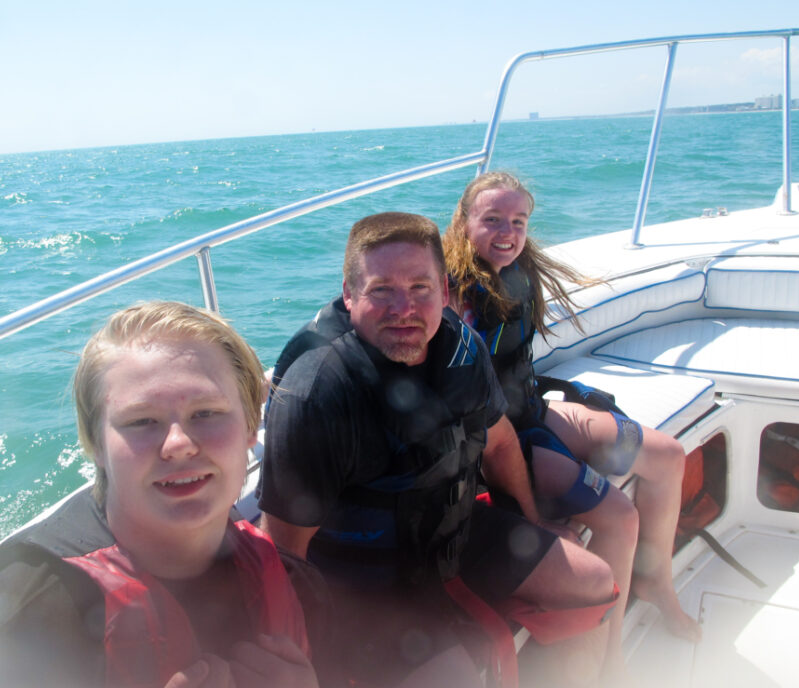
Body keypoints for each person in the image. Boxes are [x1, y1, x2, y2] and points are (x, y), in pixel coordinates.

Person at [258, 212, 618, 688]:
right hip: (367, 585)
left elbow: (501, 443)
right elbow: (285, 552)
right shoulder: (317, 393)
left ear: (445, 292)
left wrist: (531, 520)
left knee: (592, 582)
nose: (403, 308)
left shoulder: (461, 350)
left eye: (420, 288)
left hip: (454, 533)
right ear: (349, 295)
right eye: (381, 289)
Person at [0, 301, 319, 688]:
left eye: (206, 413)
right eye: (141, 421)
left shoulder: (289, 578)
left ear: (251, 428)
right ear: (96, 445)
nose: (178, 443)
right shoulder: (24, 617)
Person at [442, 172, 703, 677]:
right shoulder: (455, 296)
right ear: (464, 222)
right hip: (502, 440)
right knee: (620, 517)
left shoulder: (519, 272)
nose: (507, 232)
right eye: (492, 219)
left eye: (518, 221)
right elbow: (470, 409)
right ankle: (613, 660)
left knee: (667, 455)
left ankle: (655, 582)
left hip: (534, 410)